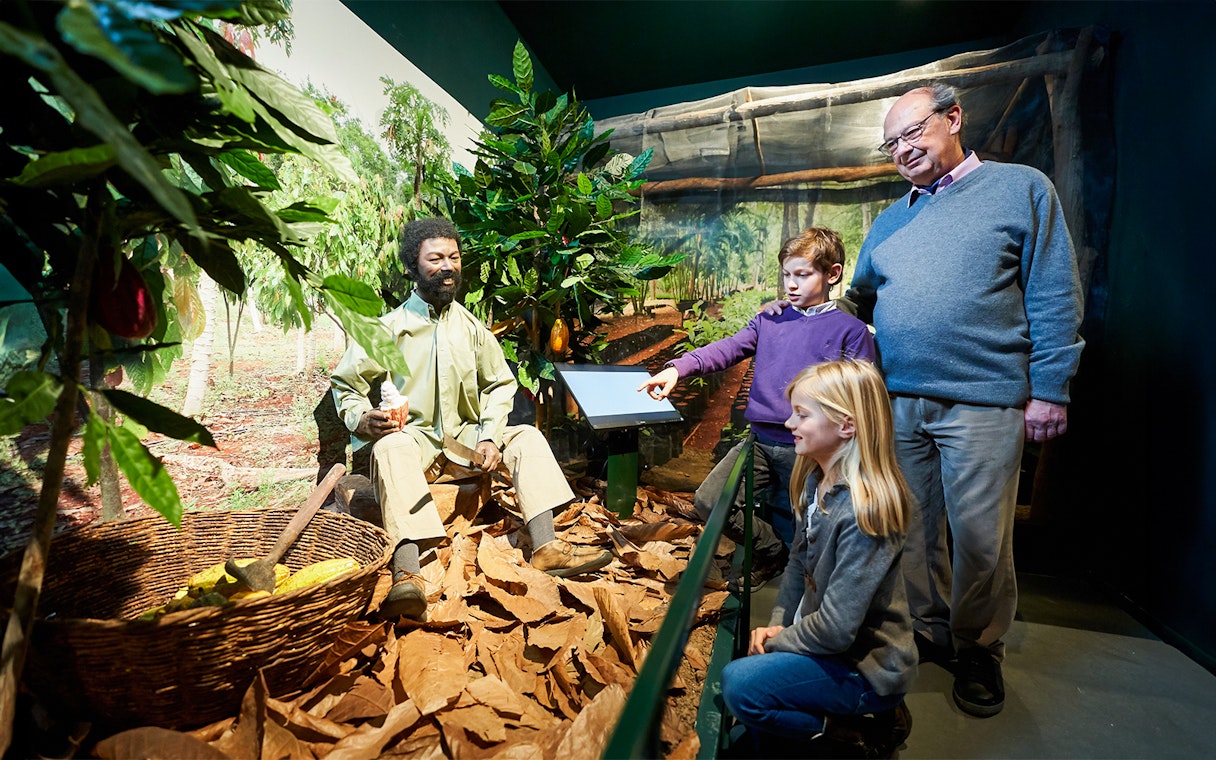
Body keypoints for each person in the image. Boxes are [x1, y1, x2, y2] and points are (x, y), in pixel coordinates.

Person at [849, 83, 1086, 717]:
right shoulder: (892, 219)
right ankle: (928, 631)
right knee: (912, 528)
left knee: (981, 537)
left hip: (985, 401)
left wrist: (1050, 390)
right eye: (891, 143)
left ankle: (978, 645)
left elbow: (1055, 293)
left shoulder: (1021, 189)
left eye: (913, 133)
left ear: (953, 118)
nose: (902, 149)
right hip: (900, 402)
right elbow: (860, 297)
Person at [331, 217, 612, 622]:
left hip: (466, 446)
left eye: (454, 257)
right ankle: (407, 574)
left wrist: (490, 438)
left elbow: (500, 385)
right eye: (435, 259)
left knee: (527, 438)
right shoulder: (386, 329)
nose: (447, 266)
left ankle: (547, 546)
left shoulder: (472, 329)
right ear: (412, 266)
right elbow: (346, 384)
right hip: (414, 445)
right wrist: (362, 418)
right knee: (389, 446)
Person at [638, 228, 875, 587]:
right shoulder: (770, 319)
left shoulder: (851, 332)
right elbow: (728, 348)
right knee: (710, 499)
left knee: (815, 522)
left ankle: (812, 593)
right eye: (786, 275)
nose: (791, 285)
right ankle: (772, 552)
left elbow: (863, 397)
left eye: (803, 274)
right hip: (759, 442)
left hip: (814, 451)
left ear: (833, 274)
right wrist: (677, 368)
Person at [721, 360, 916, 758]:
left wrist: (779, 643)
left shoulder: (866, 512)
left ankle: (850, 733)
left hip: (865, 664)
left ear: (846, 425)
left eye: (802, 414)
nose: (789, 423)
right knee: (754, 675)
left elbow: (837, 630)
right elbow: (797, 564)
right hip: (828, 643)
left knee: (739, 686)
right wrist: (777, 624)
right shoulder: (815, 478)